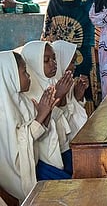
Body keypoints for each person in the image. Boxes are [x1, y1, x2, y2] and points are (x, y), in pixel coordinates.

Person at [0, 51, 62, 201]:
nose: (29, 77)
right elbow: (16, 148)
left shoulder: (22, 100)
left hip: (34, 163)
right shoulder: (3, 110)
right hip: (19, 175)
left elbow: (38, 134)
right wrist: (40, 116)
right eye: (24, 72)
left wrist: (46, 112)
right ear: (11, 75)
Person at [41, 0, 98, 107]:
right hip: (61, 45)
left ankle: (86, 109)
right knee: (63, 74)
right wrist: (47, 38)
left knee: (84, 75)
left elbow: (92, 17)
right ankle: (64, 107)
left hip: (83, 44)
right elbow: (49, 17)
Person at [21, 41, 74, 179]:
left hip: (61, 148)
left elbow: (63, 119)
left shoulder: (50, 83)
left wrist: (62, 96)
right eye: (46, 60)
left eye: (54, 58)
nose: (53, 63)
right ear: (34, 62)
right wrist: (58, 95)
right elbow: (38, 135)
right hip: (43, 159)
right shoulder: (27, 95)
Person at [51, 40, 89, 141]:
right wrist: (60, 96)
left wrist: (78, 96)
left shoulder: (69, 82)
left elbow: (76, 113)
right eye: (72, 62)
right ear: (60, 60)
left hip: (77, 136)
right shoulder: (51, 86)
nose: (74, 66)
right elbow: (59, 121)